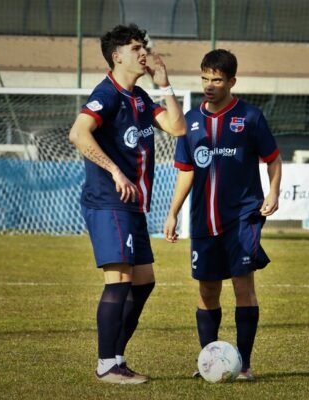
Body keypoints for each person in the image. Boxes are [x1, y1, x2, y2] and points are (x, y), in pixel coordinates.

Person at [69, 24, 186, 384]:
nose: (143, 53)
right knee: (119, 279)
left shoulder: (140, 99)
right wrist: (115, 172)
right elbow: (78, 133)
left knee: (144, 281)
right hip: (109, 202)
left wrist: (163, 84)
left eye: (144, 47)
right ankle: (106, 364)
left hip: (133, 206)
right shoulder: (108, 94)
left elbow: (178, 127)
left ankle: (116, 357)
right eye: (136, 47)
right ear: (117, 55)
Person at [163, 49, 282, 381]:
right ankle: (209, 361)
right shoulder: (189, 121)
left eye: (216, 79)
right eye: (205, 78)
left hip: (242, 217)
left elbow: (273, 158)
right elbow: (185, 171)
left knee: (243, 286)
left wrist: (273, 192)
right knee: (207, 290)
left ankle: (243, 364)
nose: (209, 85)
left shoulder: (251, 117)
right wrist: (173, 213)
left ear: (231, 81)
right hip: (203, 221)